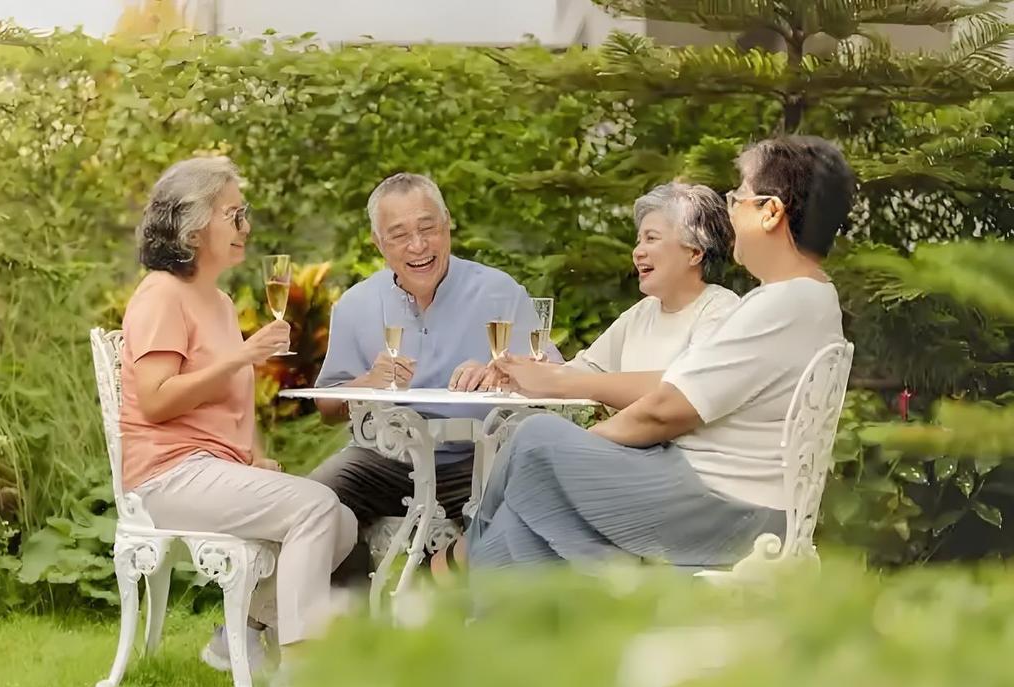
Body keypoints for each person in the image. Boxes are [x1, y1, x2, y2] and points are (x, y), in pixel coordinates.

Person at [465, 135, 856, 572]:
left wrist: (576, 453)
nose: (729, 211)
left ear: (771, 212)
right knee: (522, 527)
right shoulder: (803, 298)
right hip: (718, 496)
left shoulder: (779, 304)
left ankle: (456, 565)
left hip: (720, 507)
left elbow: (664, 411)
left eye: (737, 198)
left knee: (535, 440)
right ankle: (490, 607)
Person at [118, 156, 356, 687]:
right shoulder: (160, 295)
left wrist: (254, 456)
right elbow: (156, 401)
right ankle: (297, 672)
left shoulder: (219, 301)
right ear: (195, 224)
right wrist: (241, 357)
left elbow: (229, 407)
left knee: (341, 521)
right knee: (318, 508)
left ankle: (241, 630)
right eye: (235, 214)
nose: (246, 226)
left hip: (211, 469)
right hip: (167, 476)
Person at [307, 172, 562, 582]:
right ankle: (348, 622)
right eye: (400, 234)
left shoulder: (498, 291)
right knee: (314, 500)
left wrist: (505, 370)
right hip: (384, 460)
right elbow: (327, 406)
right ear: (379, 243)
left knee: (537, 505)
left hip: (478, 460)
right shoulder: (356, 304)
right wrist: (368, 382)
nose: (418, 245)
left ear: (447, 225)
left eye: (428, 228)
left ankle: (454, 598)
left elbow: (552, 376)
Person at [467, 182, 739, 409]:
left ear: (695, 252)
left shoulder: (720, 310)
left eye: (651, 238)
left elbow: (685, 388)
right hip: (629, 451)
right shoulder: (642, 313)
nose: (638, 251)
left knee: (534, 441)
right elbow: (582, 371)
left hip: (684, 461)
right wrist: (519, 372)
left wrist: (558, 382)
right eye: (638, 241)